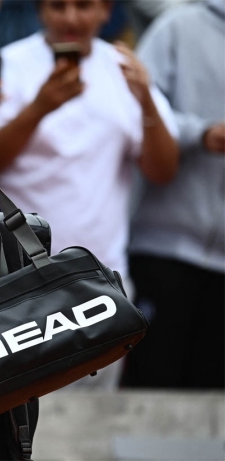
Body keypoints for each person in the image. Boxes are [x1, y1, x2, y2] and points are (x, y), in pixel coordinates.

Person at [0, 0, 180, 389]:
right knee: (18, 412)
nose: (70, 18)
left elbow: (163, 169)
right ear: (40, 11)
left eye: (83, 6)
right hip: (18, 279)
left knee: (95, 420)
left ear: (105, 11)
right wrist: (41, 107)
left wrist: (146, 97)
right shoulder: (9, 63)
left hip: (103, 277)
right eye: (58, 6)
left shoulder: (124, 69)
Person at [122, 0, 225, 389]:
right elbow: (137, 109)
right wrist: (201, 133)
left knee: (210, 398)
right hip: (162, 248)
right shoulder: (178, 27)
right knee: (152, 383)